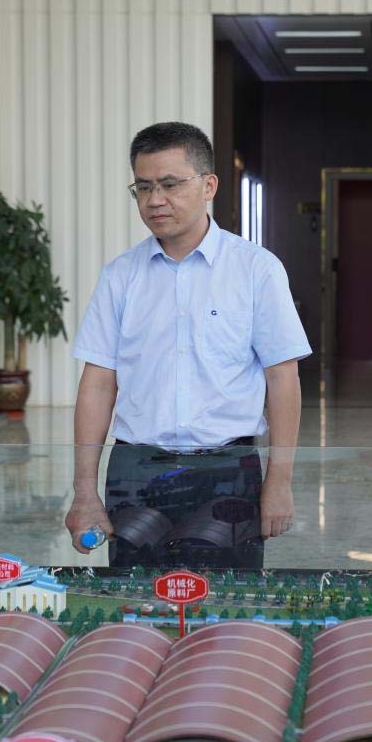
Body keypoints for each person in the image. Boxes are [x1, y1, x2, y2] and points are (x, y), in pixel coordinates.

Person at [64, 122, 309, 569]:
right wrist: (84, 491)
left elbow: (282, 379)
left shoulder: (256, 270)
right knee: (135, 602)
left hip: (228, 470)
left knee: (227, 604)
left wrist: (280, 481)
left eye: (170, 184)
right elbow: (97, 384)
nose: (155, 200)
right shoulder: (120, 276)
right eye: (143, 187)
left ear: (208, 186)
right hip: (135, 471)